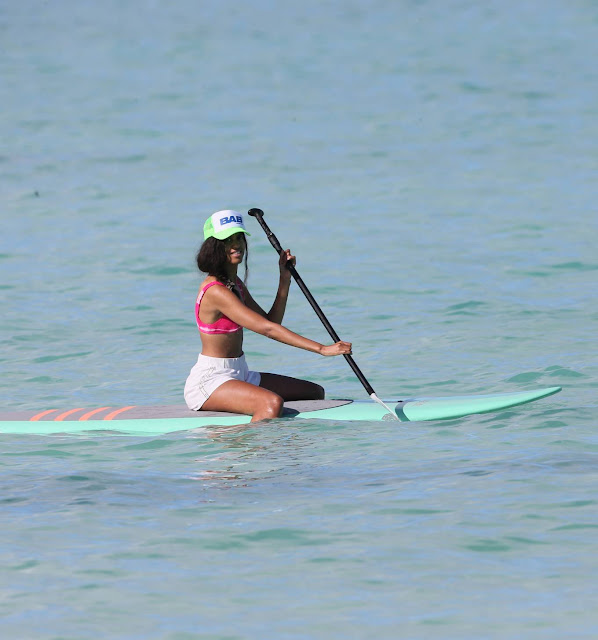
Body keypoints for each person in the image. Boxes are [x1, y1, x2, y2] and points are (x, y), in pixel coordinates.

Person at [184, 209, 352, 422]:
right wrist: (322, 349)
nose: (236, 245)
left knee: (314, 393)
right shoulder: (215, 290)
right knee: (271, 403)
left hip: (240, 373)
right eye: (227, 241)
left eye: (239, 238)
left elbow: (271, 321)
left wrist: (284, 278)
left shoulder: (235, 284)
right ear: (214, 247)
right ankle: (248, 443)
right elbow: (267, 329)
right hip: (210, 381)